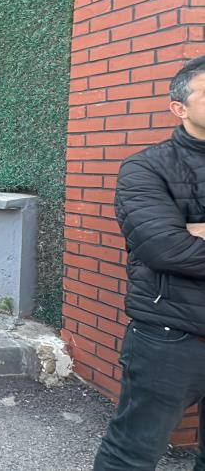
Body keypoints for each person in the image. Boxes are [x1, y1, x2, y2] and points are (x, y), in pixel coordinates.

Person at [94, 56, 205, 471]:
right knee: (133, 453)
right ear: (179, 108)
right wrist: (185, 234)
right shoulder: (146, 168)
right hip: (170, 339)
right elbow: (166, 248)